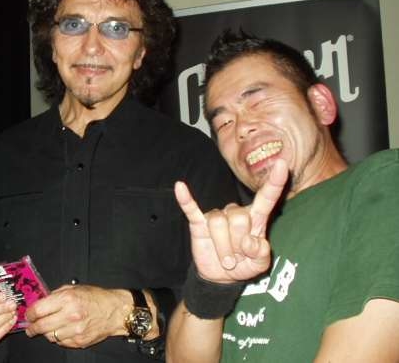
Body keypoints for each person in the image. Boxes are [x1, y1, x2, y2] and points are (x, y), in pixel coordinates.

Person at [0, 0, 240, 363]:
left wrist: (127, 312)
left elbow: (229, 306)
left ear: (141, 52)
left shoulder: (194, 157)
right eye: (73, 24)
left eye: (117, 28)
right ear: (52, 44)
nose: (92, 46)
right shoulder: (0, 158)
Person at [166, 29, 399, 362]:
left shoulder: (384, 180)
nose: (241, 128)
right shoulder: (240, 231)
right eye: (224, 123)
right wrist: (210, 285)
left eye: (257, 101)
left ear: (320, 105)